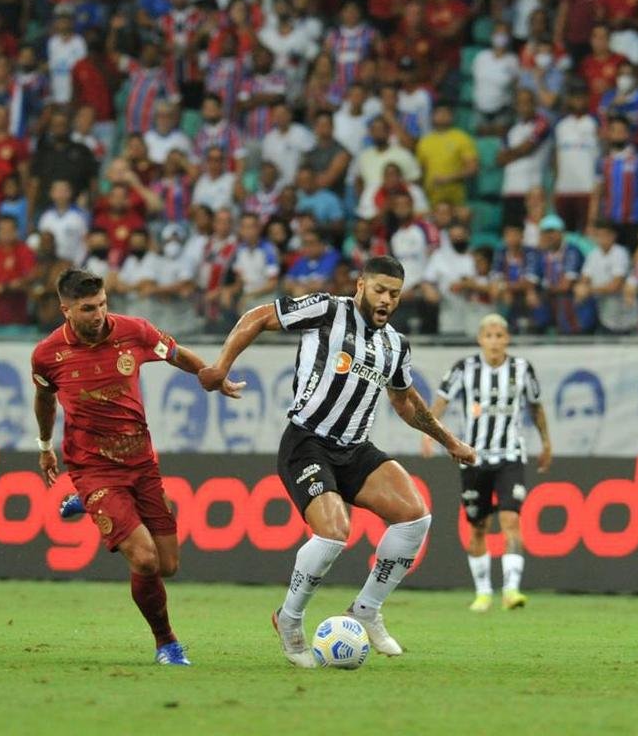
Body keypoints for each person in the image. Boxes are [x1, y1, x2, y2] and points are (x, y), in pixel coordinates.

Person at [197, 255, 477, 667]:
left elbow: (404, 401)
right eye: (380, 290)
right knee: (333, 532)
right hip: (307, 441)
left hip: (355, 449)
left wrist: (449, 440)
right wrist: (220, 367)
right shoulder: (327, 309)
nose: (386, 300)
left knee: (415, 517)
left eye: (395, 294)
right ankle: (289, 620)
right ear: (360, 285)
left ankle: (365, 609)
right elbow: (258, 316)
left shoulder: (395, 344)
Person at [33, 269, 244, 666]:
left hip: (141, 462)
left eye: (102, 304)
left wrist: (211, 376)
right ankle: (167, 643)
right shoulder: (48, 355)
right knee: (144, 559)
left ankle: (91, 504)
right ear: (66, 310)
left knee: (167, 566)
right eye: (87, 309)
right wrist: (45, 446)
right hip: (92, 467)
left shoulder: (134, 332)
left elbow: (176, 353)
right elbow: (44, 401)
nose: (98, 315)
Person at [423, 313, 551, 612]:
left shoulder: (521, 369)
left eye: (500, 336)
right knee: (479, 525)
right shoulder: (464, 368)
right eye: (489, 336)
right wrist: (430, 433)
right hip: (474, 457)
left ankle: (511, 590)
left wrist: (546, 441)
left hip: (510, 456)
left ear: (507, 339)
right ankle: (483, 592)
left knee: (511, 519)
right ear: (480, 339)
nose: (494, 341)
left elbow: (536, 407)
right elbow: (441, 401)